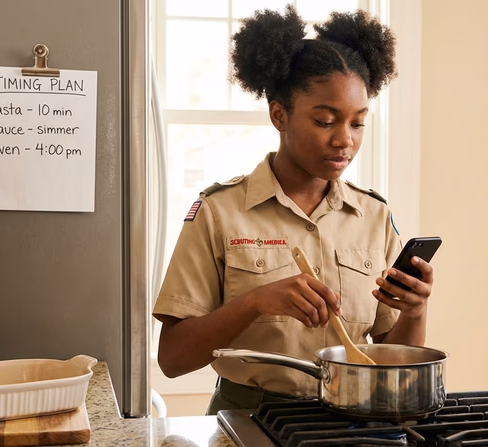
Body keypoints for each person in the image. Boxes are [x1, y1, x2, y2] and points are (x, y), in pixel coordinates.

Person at [152, 5, 434, 415]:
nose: (345, 141)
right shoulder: (219, 212)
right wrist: (256, 301)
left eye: (357, 124)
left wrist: (416, 309)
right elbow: (173, 360)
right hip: (247, 419)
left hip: (352, 421)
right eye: (324, 121)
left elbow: (394, 362)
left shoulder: (374, 217)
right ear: (279, 115)